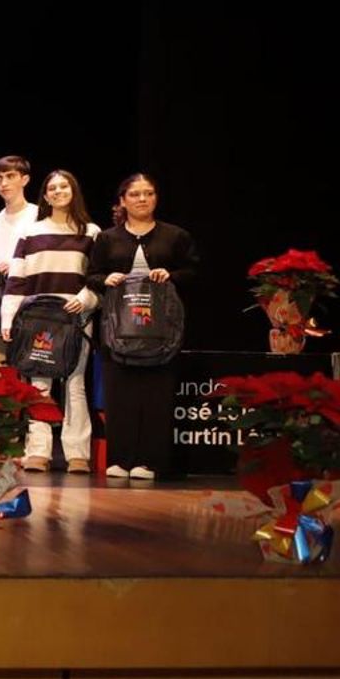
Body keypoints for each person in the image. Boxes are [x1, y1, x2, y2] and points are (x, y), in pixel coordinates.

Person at [86, 173, 199, 481]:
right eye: (134, 194)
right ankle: (120, 459)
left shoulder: (175, 236)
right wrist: (105, 279)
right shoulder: (108, 238)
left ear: (156, 198)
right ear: (123, 200)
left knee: (155, 393)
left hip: (159, 327)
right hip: (118, 327)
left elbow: (192, 270)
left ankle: (149, 461)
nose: (142, 199)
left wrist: (171, 274)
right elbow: (92, 274)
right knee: (119, 392)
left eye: (148, 193)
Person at [2, 170, 100, 474]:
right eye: (52, 188)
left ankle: (77, 453)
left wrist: (85, 299)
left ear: (74, 191)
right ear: (45, 196)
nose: (58, 191)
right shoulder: (30, 233)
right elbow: (17, 279)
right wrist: (8, 316)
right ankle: (39, 451)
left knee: (75, 383)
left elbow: (98, 278)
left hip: (75, 317)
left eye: (64, 186)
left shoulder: (92, 232)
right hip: (38, 318)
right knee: (39, 384)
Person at [0, 156, 40, 373]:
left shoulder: (38, 215)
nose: (3, 183)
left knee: (33, 374)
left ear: (25, 179)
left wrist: (15, 265)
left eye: (10, 176)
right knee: (0, 373)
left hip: (30, 303)